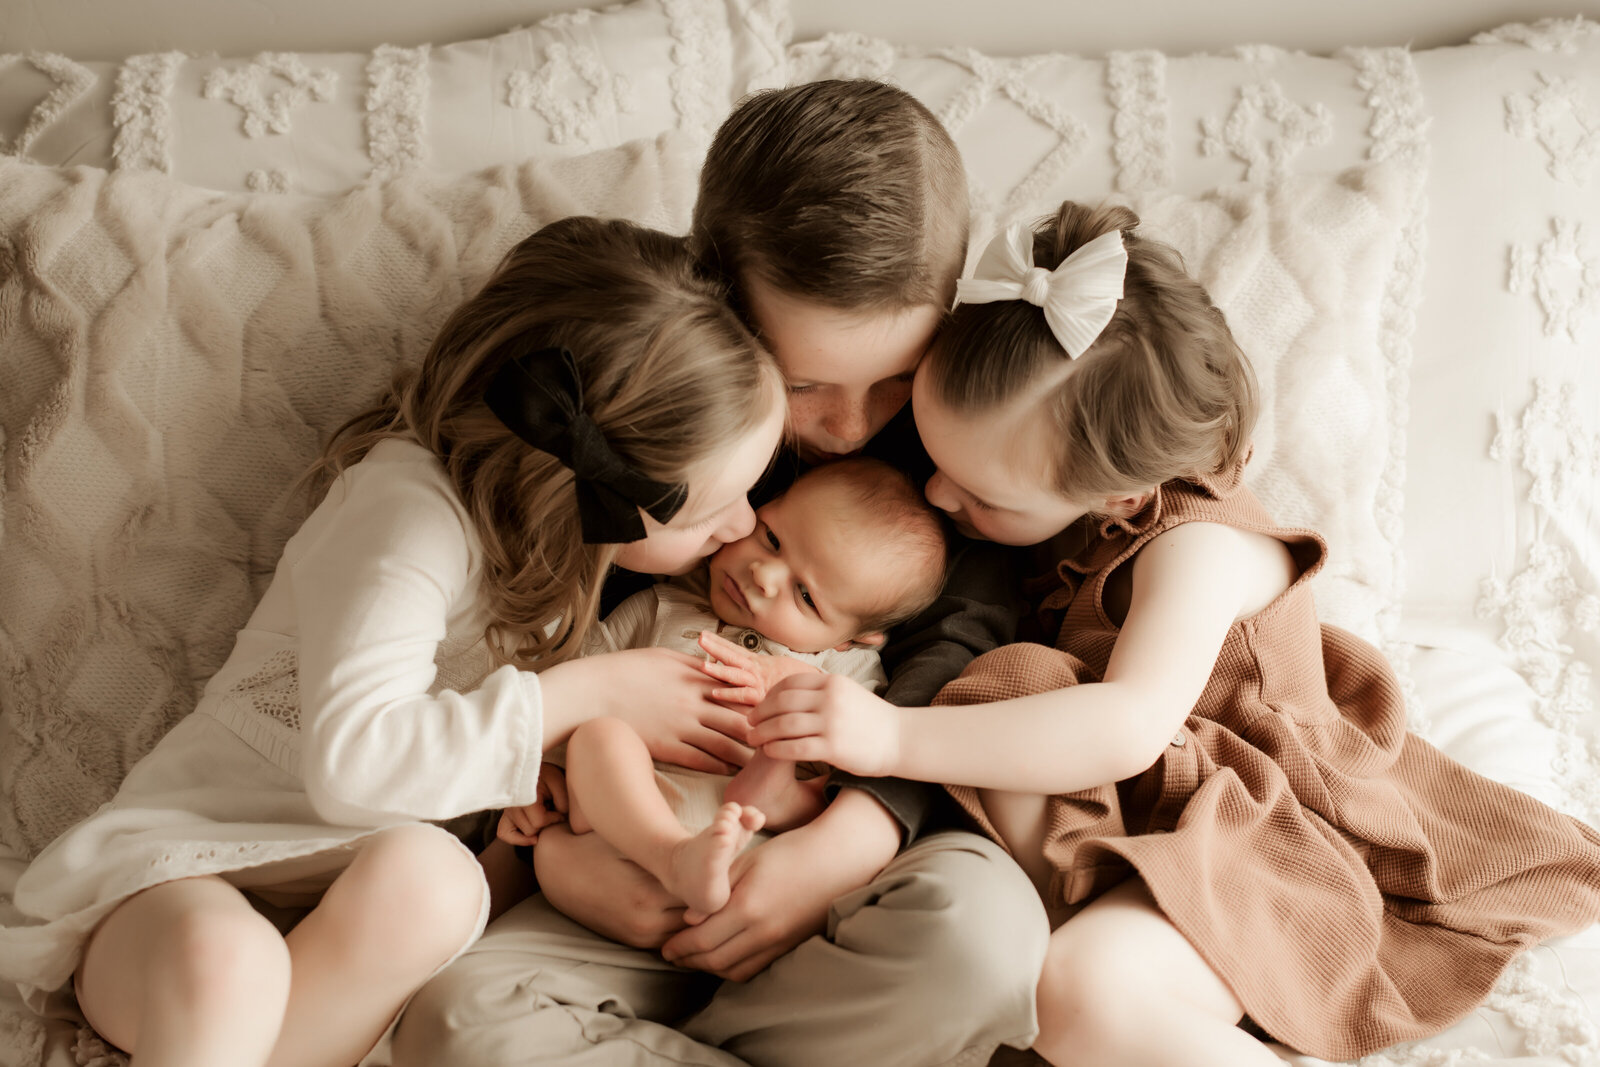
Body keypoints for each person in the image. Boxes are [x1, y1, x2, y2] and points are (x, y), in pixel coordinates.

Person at [744, 200, 1600, 1065]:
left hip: (1255, 835)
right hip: (1125, 820)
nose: (935, 498)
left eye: (982, 496)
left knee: (1083, 989)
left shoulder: (1200, 545)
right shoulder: (1035, 485)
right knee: (1013, 687)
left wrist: (892, 735)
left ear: (1121, 494)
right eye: (936, 461)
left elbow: (1126, 725)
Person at [0, 215, 789, 1067]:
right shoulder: (408, 509)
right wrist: (590, 696)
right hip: (184, 882)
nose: (743, 525)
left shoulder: (566, 559)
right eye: (714, 509)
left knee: (439, 880)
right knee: (235, 964)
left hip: (345, 909)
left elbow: (470, 765)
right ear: (587, 477)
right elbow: (357, 763)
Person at [394, 79, 1049, 1067]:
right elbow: (546, 639)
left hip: (840, 873)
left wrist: (852, 837)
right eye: (804, 385)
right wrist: (545, 825)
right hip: (620, 877)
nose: (852, 424)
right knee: (451, 1017)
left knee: (983, 938)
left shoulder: (951, 445)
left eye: (893, 381)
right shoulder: (658, 408)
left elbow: (964, 641)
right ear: (715, 297)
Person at [496, 458, 950, 924]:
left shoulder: (845, 674)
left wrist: (798, 690)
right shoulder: (661, 607)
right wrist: (545, 770)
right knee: (577, 786)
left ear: (850, 639)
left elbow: (852, 772)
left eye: (806, 596)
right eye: (771, 538)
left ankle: (691, 888)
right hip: (617, 842)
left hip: (746, 852)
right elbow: (577, 693)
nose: (764, 575)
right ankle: (672, 868)